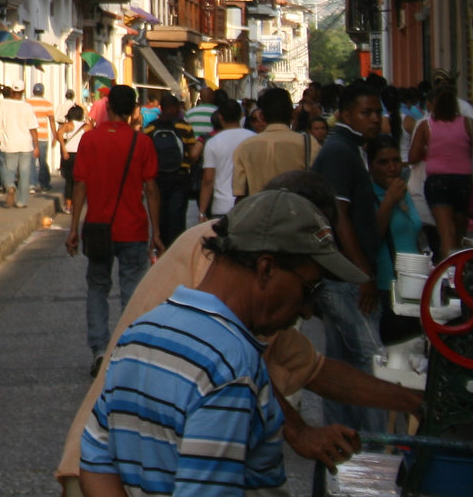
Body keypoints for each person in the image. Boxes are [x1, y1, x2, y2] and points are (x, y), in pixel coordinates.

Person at [55, 171, 426, 494]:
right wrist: (297, 432)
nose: (309, 310)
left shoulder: (141, 334)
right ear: (265, 268)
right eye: (309, 288)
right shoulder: (231, 369)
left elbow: (313, 369)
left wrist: (413, 402)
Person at [65, 84, 160, 377]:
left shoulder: (89, 141)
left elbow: (79, 185)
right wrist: (156, 232)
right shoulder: (142, 143)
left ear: (106, 109)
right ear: (134, 111)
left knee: (97, 287)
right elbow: (152, 189)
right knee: (132, 290)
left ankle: (100, 350)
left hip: (98, 227)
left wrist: (74, 229)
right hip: (133, 228)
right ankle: (131, 349)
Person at [310, 82, 386, 435]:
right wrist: (362, 274)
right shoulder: (340, 151)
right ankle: (372, 447)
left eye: (377, 112)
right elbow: (339, 216)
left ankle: (343, 439)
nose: (375, 119)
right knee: (371, 361)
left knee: (341, 363)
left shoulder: (352, 149)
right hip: (344, 279)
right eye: (366, 112)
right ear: (346, 114)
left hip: (342, 276)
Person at [407, 85, 473, 255]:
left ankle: (448, 274)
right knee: (458, 232)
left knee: (446, 232)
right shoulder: (468, 124)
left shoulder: (426, 126)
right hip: (464, 183)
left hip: (437, 182)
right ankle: (459, 269)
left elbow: (412, 157)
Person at [367, 136, 425, 346]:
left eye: (396, 160)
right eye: (383, 162)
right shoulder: (370, 195)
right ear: (371, 166)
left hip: (415, 283)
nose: (392, 167)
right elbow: (371, 239)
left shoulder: (403, 190)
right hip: (389, 286)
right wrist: (389, 201)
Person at [232, 87, 315, 198]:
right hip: (297, 212)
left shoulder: (245, 147)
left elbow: (239, 193)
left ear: (262, 115)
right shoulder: (309, 144)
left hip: (259, 211)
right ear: (293, 113)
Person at [145, 93, 198, 245]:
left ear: (161, 108)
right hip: (180, 177)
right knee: (177, 214)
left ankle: (160, 240)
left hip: (157, 177)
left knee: (160, 211)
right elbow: (192, 154)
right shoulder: (185, 127)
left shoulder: (151, 128)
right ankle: (176, 245)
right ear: (176, 108)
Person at [197, 94, 251, 221]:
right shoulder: (253, 139)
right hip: (248, 205)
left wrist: (202, 212)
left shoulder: (213, 142)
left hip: (221, 206)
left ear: (220, 118)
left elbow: (208, 180)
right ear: (241, 116)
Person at [0, 82, 40, 209]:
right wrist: (36, 146)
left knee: (8, 169)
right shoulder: (27, 107)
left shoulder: (3, 106)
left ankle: (10, 186)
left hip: (9, 144)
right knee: (24, 173)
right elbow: (33, 128)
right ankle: (21, 201)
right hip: (25, 145)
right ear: (23, 92)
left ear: (12, 92)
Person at [29, 82, 60, 194]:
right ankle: (44, 184)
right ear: (43, 92)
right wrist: (55, 136)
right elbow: (52, 121)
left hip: (29, 136)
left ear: (33, 91)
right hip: (42, 137)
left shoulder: (27, 102)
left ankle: (32, 184)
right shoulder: (47, 104)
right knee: (42, 161)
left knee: (31, 161)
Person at [60, 100, 88, 201]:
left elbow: (59, 133)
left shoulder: (68, 125)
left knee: (69, 180)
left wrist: (63, 148)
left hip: (68, 154)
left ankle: (68, 204)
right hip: (81, 155)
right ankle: (77, 200)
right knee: (79, 180)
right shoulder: (85, 126)